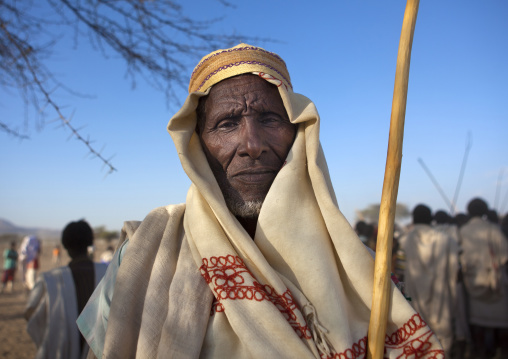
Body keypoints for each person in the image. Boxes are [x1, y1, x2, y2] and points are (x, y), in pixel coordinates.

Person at [77, 44, 444, 358]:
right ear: (197, 146)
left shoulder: (360, 273)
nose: (251, 145)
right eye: (226, 124)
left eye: (269, 118)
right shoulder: (146, 254)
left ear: (298, 134)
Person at [25, 220, 107, 359]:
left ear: (65, 245)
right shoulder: (109, 273)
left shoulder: (50, 280)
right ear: (89, 243)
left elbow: (31, 314)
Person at [399, 204, 459, 356]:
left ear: (413, 218)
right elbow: (454, 271)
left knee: (419, 338)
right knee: (443, 340)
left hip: (415, 300)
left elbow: (399, 270)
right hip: (442, 300)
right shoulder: (447, 240)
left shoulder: (405, 241)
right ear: (430, 218)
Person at [459, 198, 508, 358]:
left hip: (472, 283)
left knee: (477, 323)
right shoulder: (493, 229)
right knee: (500, 323)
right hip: (495, 284)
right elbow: (504, 255)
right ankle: (500, 351)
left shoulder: (463, 231)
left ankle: (479, 352)